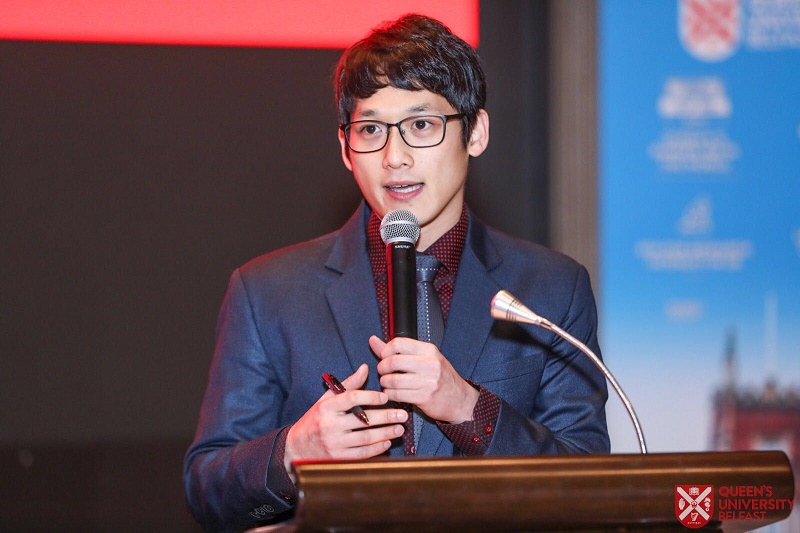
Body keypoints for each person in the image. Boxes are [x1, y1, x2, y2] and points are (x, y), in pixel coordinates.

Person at [184, 14, 609, 531]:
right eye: (370, 130)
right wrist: (296, 452)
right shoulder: (268, 291)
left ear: (475, 132)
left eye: (422, 125)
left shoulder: (550, 288)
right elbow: (210, 496)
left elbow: (593, 487)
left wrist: (469, 407)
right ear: (345, 149)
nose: (395, 157)